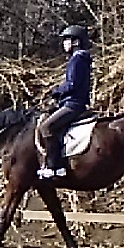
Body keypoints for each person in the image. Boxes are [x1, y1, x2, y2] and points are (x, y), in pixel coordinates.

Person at [38, 25, 92, 179]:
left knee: (46, 127)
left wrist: (56, 91)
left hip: (73, 104)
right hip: (74, 102)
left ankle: (55, 167)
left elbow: (72, 84)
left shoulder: (77, 59)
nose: (64, 43)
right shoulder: (81, 58)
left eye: (67, 40)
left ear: (76, 42)